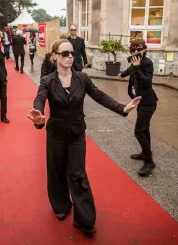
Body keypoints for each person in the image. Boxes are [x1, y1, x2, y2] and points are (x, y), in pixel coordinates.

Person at [27, 39, 141, 235]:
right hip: (56, 135)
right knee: (56, 172)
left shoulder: (82, 78)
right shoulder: (47, 81)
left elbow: (100, 96)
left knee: (78, 174)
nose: (70, 56)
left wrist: (122, 107)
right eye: (65, 53)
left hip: (77, 134)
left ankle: (85, 219)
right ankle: (61, 206)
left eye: (71, 53)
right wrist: (38, 115)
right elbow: (39, 99)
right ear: (55, 56)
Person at [118, 39, 158, 176]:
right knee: (145, 129)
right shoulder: (135, 61)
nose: (136, 51)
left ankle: (149, 162)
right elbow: (131, 69)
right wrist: (123, 74)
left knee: (139, 131)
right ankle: (145, 153)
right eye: (133, 49)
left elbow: (147, 82)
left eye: (139, 49)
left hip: (149, 102)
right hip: (141, 101)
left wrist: (137, 67)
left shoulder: (146, 62)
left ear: (144, 49)